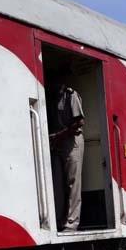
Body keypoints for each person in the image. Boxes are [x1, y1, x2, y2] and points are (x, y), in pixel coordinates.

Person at [49, 79, 85, 232]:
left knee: (73, 182)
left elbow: (79, 122)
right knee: (57, 182)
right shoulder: (51, 98)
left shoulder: (71, 95)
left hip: (72, 141)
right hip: (59, 142)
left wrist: (58, 135)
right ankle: (57, 220)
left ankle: (72, 222)